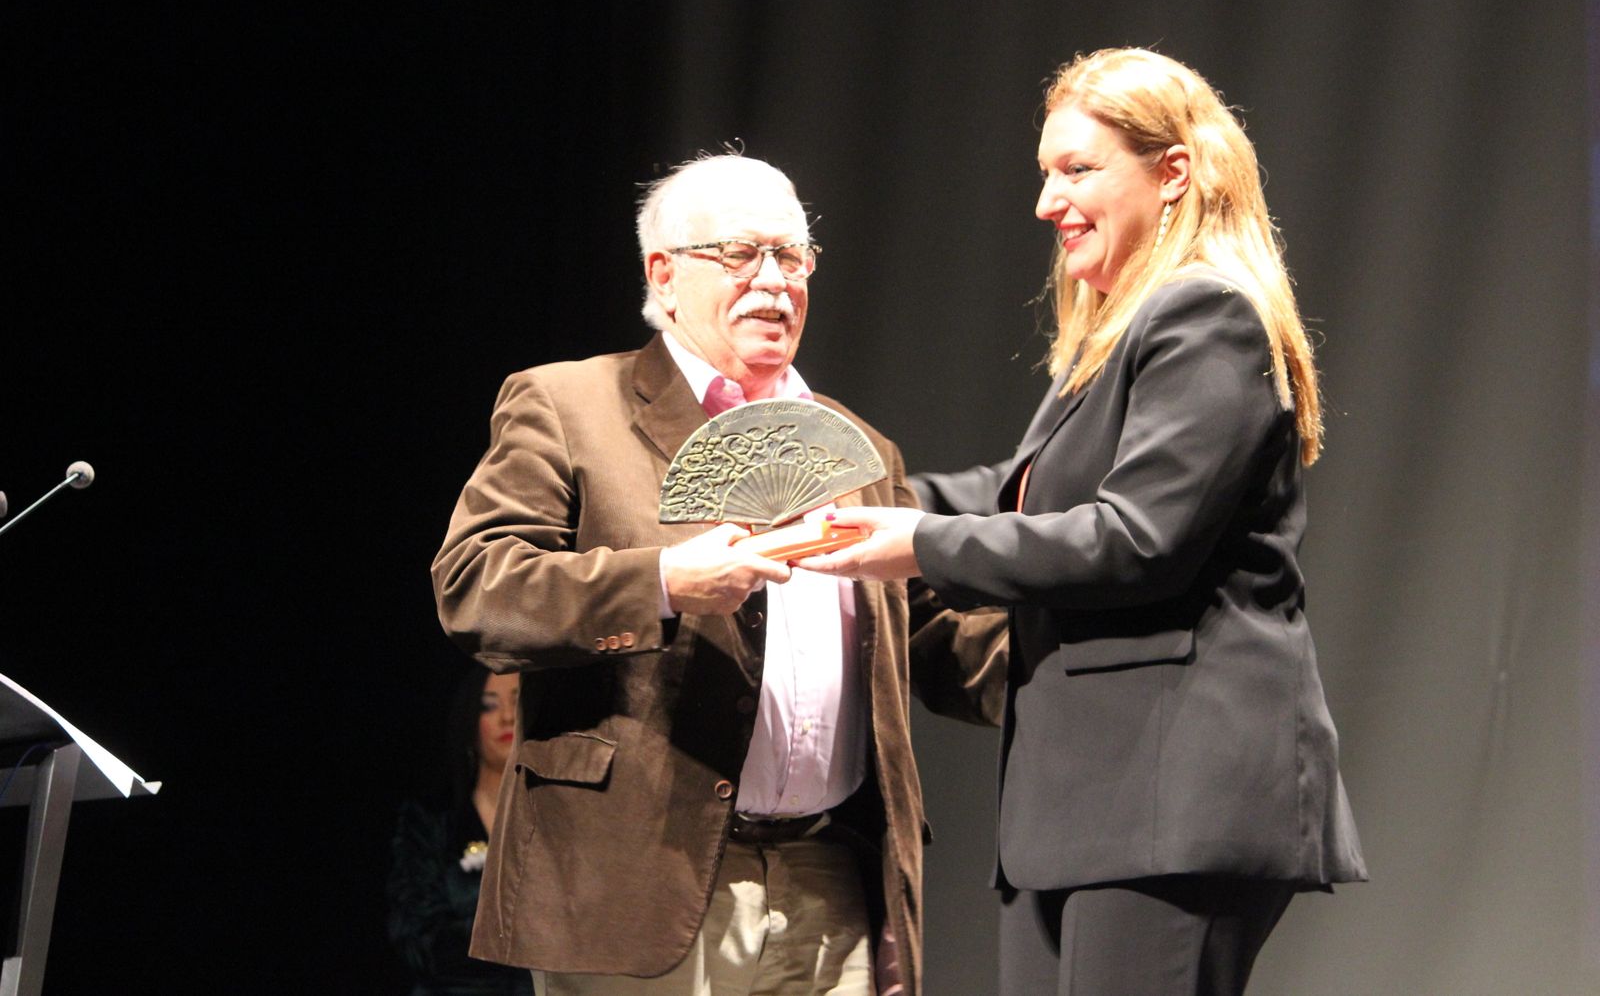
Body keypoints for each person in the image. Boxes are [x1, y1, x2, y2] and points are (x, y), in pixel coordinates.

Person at [799, 48, 1367, 995]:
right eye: (1043, 174)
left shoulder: (1208, 315)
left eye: (1077, 169)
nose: (1046, 203)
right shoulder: (1121, 328)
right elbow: (1019, 490)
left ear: (1173, 173)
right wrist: (863, 510)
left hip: (1171, 796)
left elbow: (1137, 539)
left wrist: (917, 548)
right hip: (1091, 804)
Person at [430, 153, 925, 996]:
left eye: (793, 256)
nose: (774, 280)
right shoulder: (569, 404)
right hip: (638, 873)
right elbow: (476, 585)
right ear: (663, 272)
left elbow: (936, 637)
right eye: (740, 255)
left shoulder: (860, 448)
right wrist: (660, 580)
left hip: (828, 885)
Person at [388, 667, 533, 996]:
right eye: (489, 705)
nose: (507, 717)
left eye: (517, 701)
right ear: (469, 718)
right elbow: (416, 935)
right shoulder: (431, 821)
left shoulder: (556, 820)